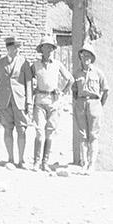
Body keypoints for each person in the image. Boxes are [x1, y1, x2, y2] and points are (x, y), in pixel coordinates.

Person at [0, 33, 33, 168]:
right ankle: (10, 158)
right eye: (14, 47)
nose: (17, 50)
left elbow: (29, 83)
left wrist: (29, 102)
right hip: (4, 101)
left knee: (22, 130)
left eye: (18, 47)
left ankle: (21, 160)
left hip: (20, 100)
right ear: (8, 48)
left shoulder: (24, 62)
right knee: (7, 129)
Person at [30, 38, 72, 172]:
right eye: (45, 47)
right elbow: (27, 79)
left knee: (50, 132)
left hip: (54, 101)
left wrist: (63, 92)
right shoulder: (35, 65)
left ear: (53, 49)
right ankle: (36, 162)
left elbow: (70, 79)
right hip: (40, 101)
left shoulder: (57, 64)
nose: (47, 50)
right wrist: (31, 91)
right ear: (41, 49)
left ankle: (45, 163)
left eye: (50, 48)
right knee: (39, 132)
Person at [72, 44, 109, 173]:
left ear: (92, 58)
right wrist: (79, 102)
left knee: (93, 135)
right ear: (80, 57)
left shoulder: (98, 73)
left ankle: (91, 165)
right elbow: (74, 91)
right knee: (82, 136)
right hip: (81, 104)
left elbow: (106, 90)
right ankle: (84, 163)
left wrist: (99, 105)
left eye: (88, 55)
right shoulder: (76, 73)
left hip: (95, 104)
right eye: (83, 55)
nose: (85, 58)